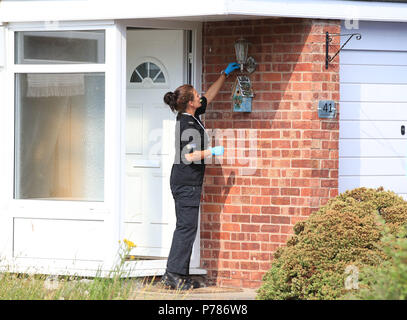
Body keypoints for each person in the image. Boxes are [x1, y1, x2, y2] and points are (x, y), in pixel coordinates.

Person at [161, 62, 240, 290]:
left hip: (189, 183)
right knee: (186, 228)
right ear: (189, 103)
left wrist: (224, 74)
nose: (200, 97)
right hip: (185, 183)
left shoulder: (193, 115)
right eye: (196, 95)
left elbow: (210, 96)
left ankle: (180, 276)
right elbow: (190, 156)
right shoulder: (187, 124)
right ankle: (172, 275)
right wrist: (212, 151)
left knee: (188, 227)